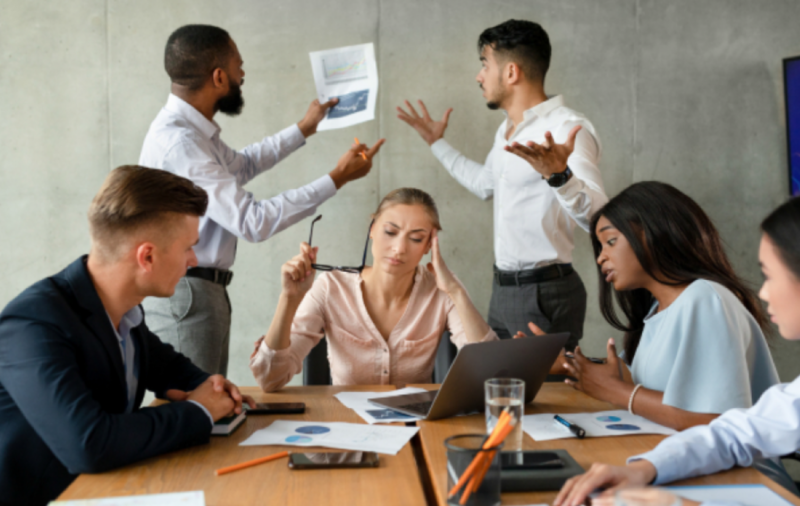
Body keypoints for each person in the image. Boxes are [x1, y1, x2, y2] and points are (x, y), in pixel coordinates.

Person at [0, 166, 255, 506]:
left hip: (93, 505)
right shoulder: (33, 323)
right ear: (147, 256)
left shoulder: (124, 311)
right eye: (189, 246)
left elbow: (167, 366)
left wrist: (208, 386)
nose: (193, 260)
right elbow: (89, 443)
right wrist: (199, 412)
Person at [552, 196, 800, 506]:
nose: (762, 293)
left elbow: (713, 416)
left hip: (750, 486)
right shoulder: (657, 312)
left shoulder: (705, 297)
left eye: (769, 274)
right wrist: (645, 468)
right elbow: (733, 431)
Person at [140, 24, 384, 375]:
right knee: (196, 407)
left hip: (201, 292)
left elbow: (243, 165)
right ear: (219, 77)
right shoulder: (182, 144)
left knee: (206, 406)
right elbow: (253, 222)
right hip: (189, 295)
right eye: (239, 65)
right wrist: (337, 178)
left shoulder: (191, 133)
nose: (244, 74)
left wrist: (304, 127)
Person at [397, 19, 607, 350]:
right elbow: (485, 184)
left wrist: (559, 176)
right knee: (503, 396)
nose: (479, 76)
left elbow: (601, 220)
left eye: (484, 64)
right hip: (503, 289)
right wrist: (437, 143)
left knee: (545, 401)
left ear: (510, 73)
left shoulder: (567, 128)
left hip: (543, 293)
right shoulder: (509, 129)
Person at [522, 182, 777, 432]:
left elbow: (715, 421)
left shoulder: (704, 299)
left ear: (653, 233)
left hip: (738, 473)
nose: (601, 257)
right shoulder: (658, 309)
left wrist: (616, 392)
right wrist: (566, 363)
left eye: (610, 241)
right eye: (600, 248)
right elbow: (633, 379)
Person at [250, 188, 498, 390]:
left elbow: (491, 374)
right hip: (346, 435)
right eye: (390, 232)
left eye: (415, 238)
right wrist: (289, 299)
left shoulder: (443, 289)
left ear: (428, 246)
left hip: (414, 435)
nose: (399, 248)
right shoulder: (330, 288)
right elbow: (269, 379)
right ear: (372, 229)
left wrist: (455, 291)